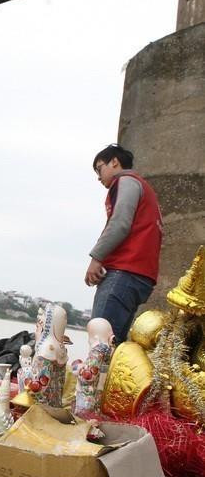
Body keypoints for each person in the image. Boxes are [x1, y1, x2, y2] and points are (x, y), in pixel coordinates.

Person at [85, 144, 162, 342]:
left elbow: (119, 224)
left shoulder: (126, 181)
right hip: (139, 275)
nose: (98, 177)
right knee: (113, 343)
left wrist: (96, 258)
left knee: (100, 343)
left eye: (99, 169)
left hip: (123, 271)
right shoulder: (144, 189)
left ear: (114, 162)